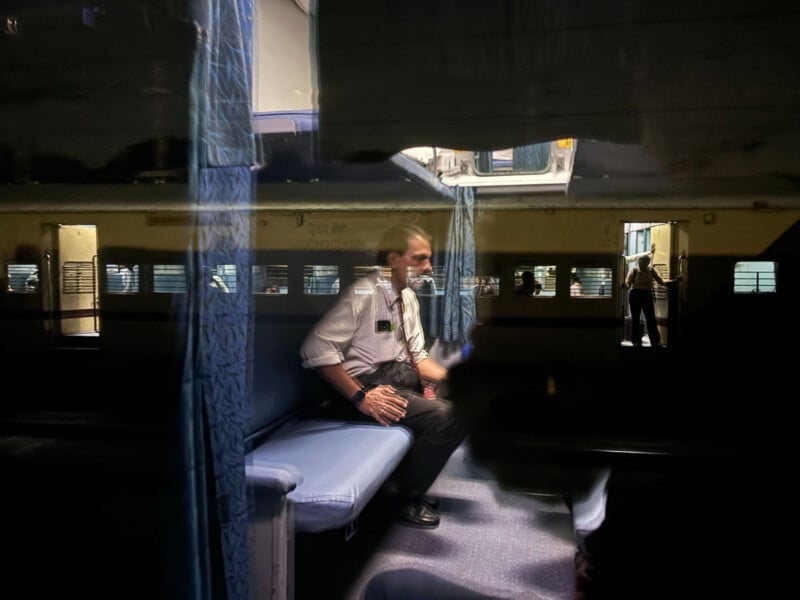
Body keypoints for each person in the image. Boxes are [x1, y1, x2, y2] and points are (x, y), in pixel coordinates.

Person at [300, 224, 467, 529]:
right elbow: (315, 350)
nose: (428, 266)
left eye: (428, 259)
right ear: (393, 259)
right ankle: (406, 498)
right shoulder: (364, 293)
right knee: (447, 417)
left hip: (392, 376)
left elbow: (419, 358)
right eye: (419, 258)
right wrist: (361, 397)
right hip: (357, 389)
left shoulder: (408, 298)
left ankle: (401, 484)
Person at [625, 254, 666, 347]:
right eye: (641, 263)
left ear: (647, 263)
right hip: (636, 294)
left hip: (646, 294)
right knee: (636, 318)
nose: (641, 265)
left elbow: (661, 281)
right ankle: (636, 341)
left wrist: (672, 282)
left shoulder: (651, 270)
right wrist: (626, 286)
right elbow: (628, 282)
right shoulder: (634, 271)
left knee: (650, 318)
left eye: (644, 264)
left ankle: (655, 341)